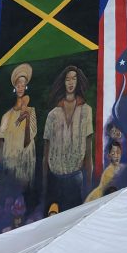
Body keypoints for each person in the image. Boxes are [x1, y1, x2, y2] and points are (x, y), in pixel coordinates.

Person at [42, 65, 94, 211]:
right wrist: (45, 185)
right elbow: (45, 154)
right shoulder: (53, 114)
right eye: (67, 79)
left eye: (74, 78)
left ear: (78, 82)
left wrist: (89, 186)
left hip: (75, 178)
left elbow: (88, 152)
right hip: (55, 178)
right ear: (63, 82)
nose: (71, 82)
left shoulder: (86, 111)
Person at [0, 63, 38, 192]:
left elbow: (28, 141)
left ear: (26, 87)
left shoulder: (31, 111)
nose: (20, 87)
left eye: (23, 85)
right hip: (9, 167)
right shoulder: (6, 116)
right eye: (18, 85)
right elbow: (1, 143)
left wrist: (26, 120)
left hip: (25, 168)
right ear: (15, 87)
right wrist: (1, 170)